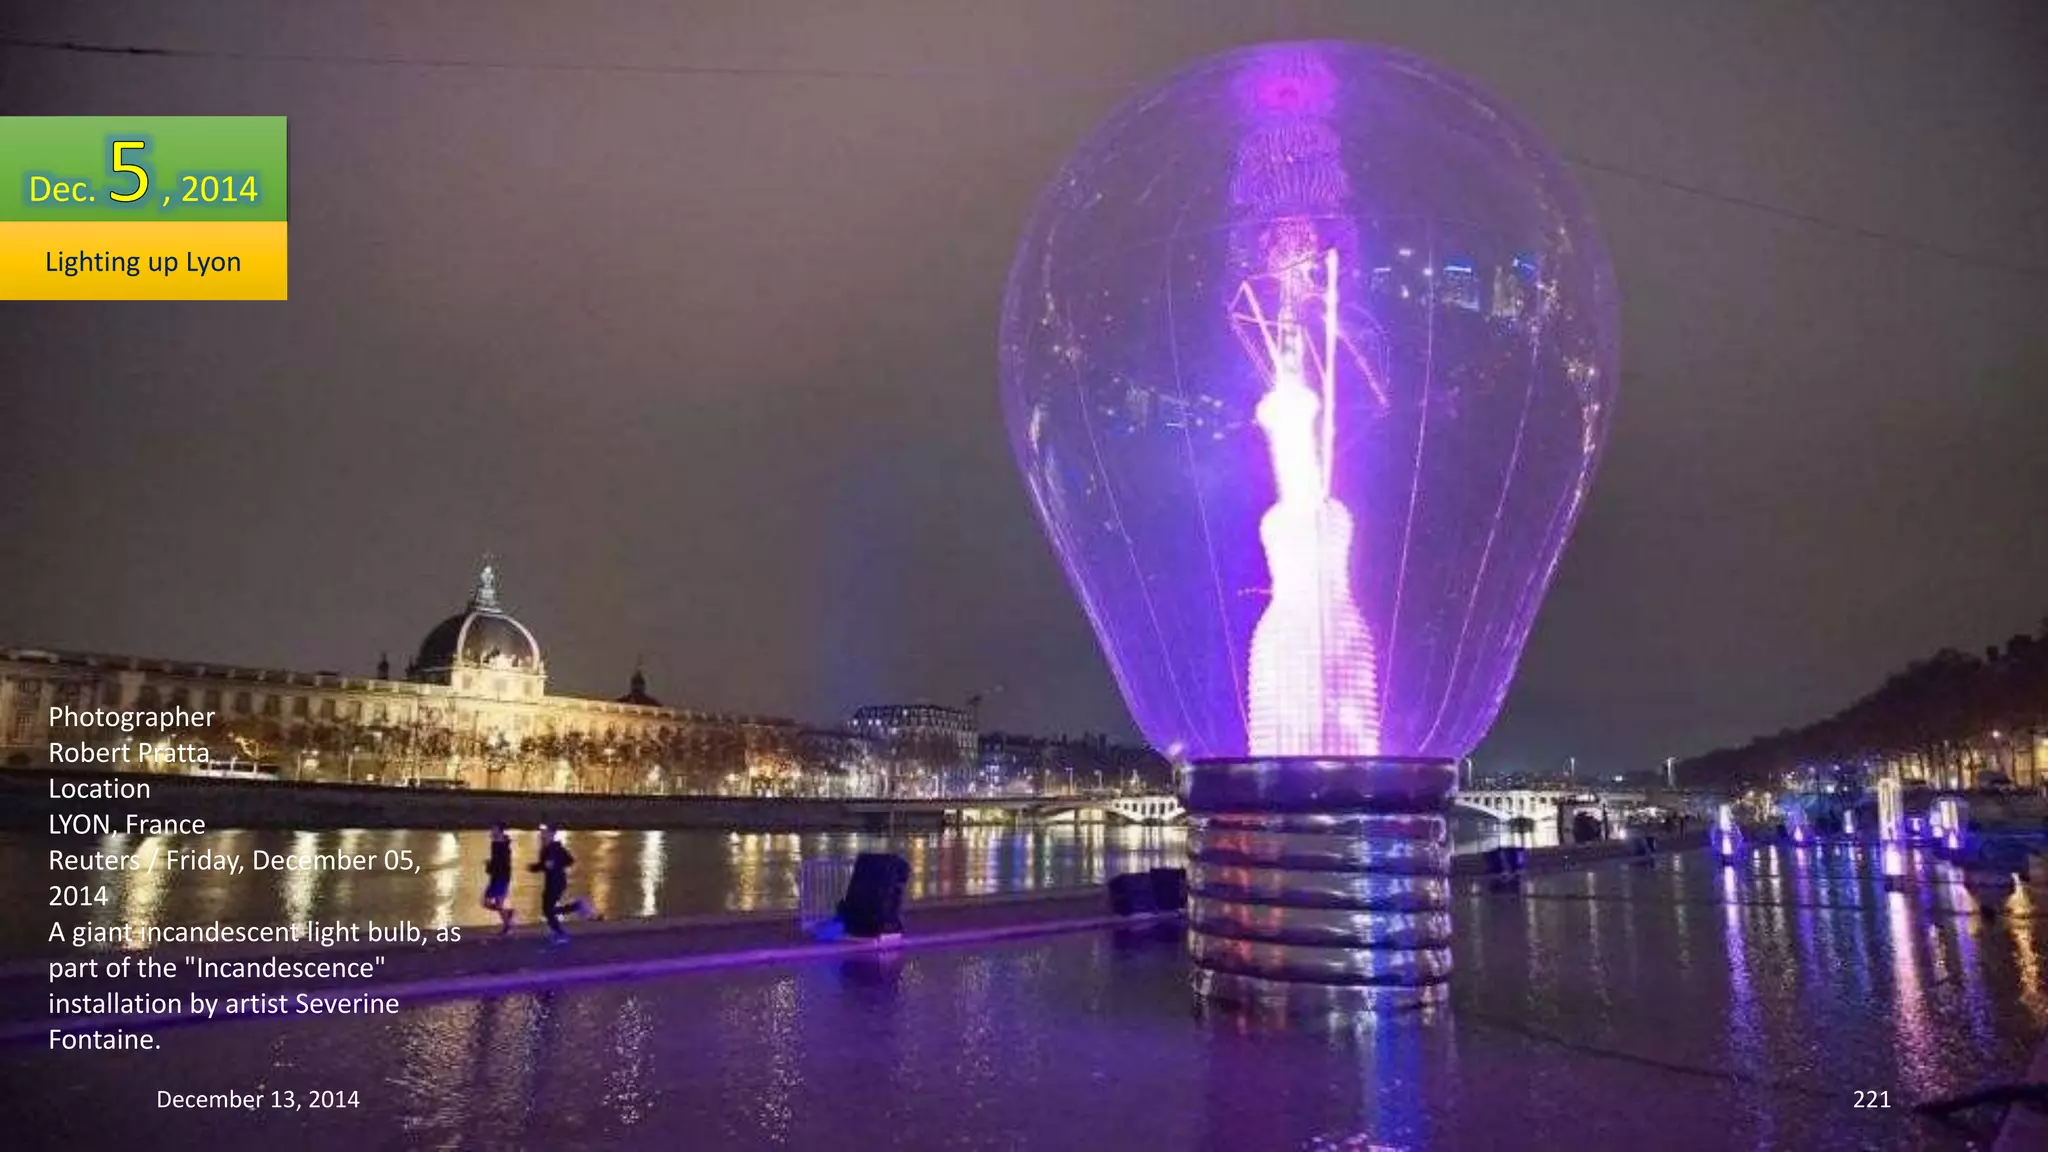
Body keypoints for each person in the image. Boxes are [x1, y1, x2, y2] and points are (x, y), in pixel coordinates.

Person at [529, 824, 595, 943]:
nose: (542, 834)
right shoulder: (548, 847)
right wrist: (536, 867)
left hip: (556, 882)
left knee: (548, 911)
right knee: (548, 910)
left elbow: (566, 861)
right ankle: (575, 909)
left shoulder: (554, 848)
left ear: (552, 834)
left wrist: (553, 864)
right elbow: (548, 864)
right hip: (553, 882)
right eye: (542, 832)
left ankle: (561, 933)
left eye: (545, 832)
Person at [480, 823, 515, 935]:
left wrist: (490, 865)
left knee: (498, 903)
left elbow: (503, 863)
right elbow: (497, 861)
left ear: (500, 831)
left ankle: (507, 927)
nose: (491, 832)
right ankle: (507, 913)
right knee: (485, 902)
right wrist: (490, 864)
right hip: (495, 877)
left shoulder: (503, 846)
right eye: (491, 829)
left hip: (501, 877)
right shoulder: (495, 844)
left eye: (493, 829)